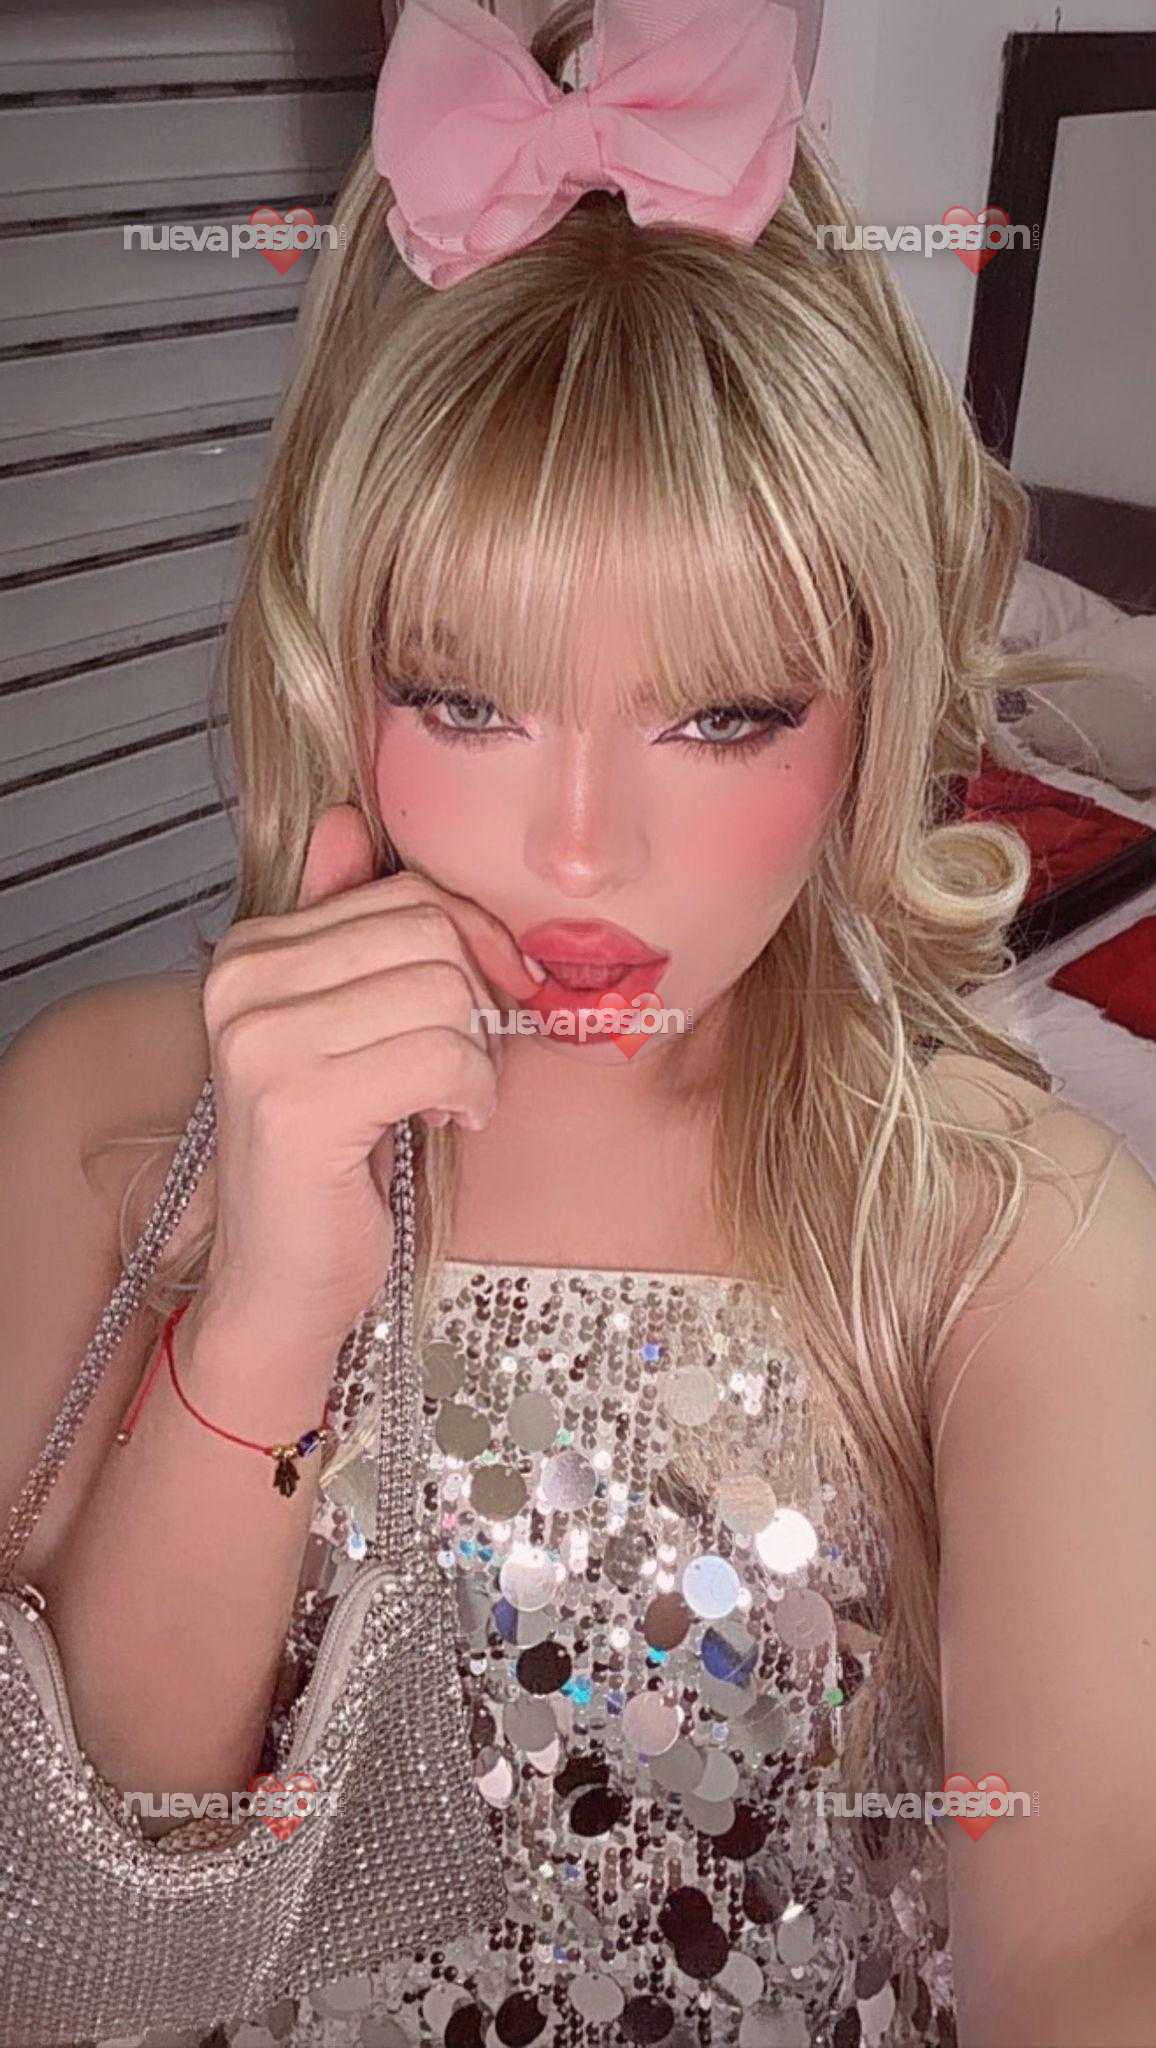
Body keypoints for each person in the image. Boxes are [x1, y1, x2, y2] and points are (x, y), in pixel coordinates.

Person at [2, 3, 1154, 2044]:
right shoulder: (100, 1116)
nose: (581, 850)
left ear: (870, 710)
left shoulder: (1002, 1224)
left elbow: (1079, 1953)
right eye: (466, 698)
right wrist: (264, 1313)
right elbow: (68, 1967)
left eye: (725, 713)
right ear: (335, 668)